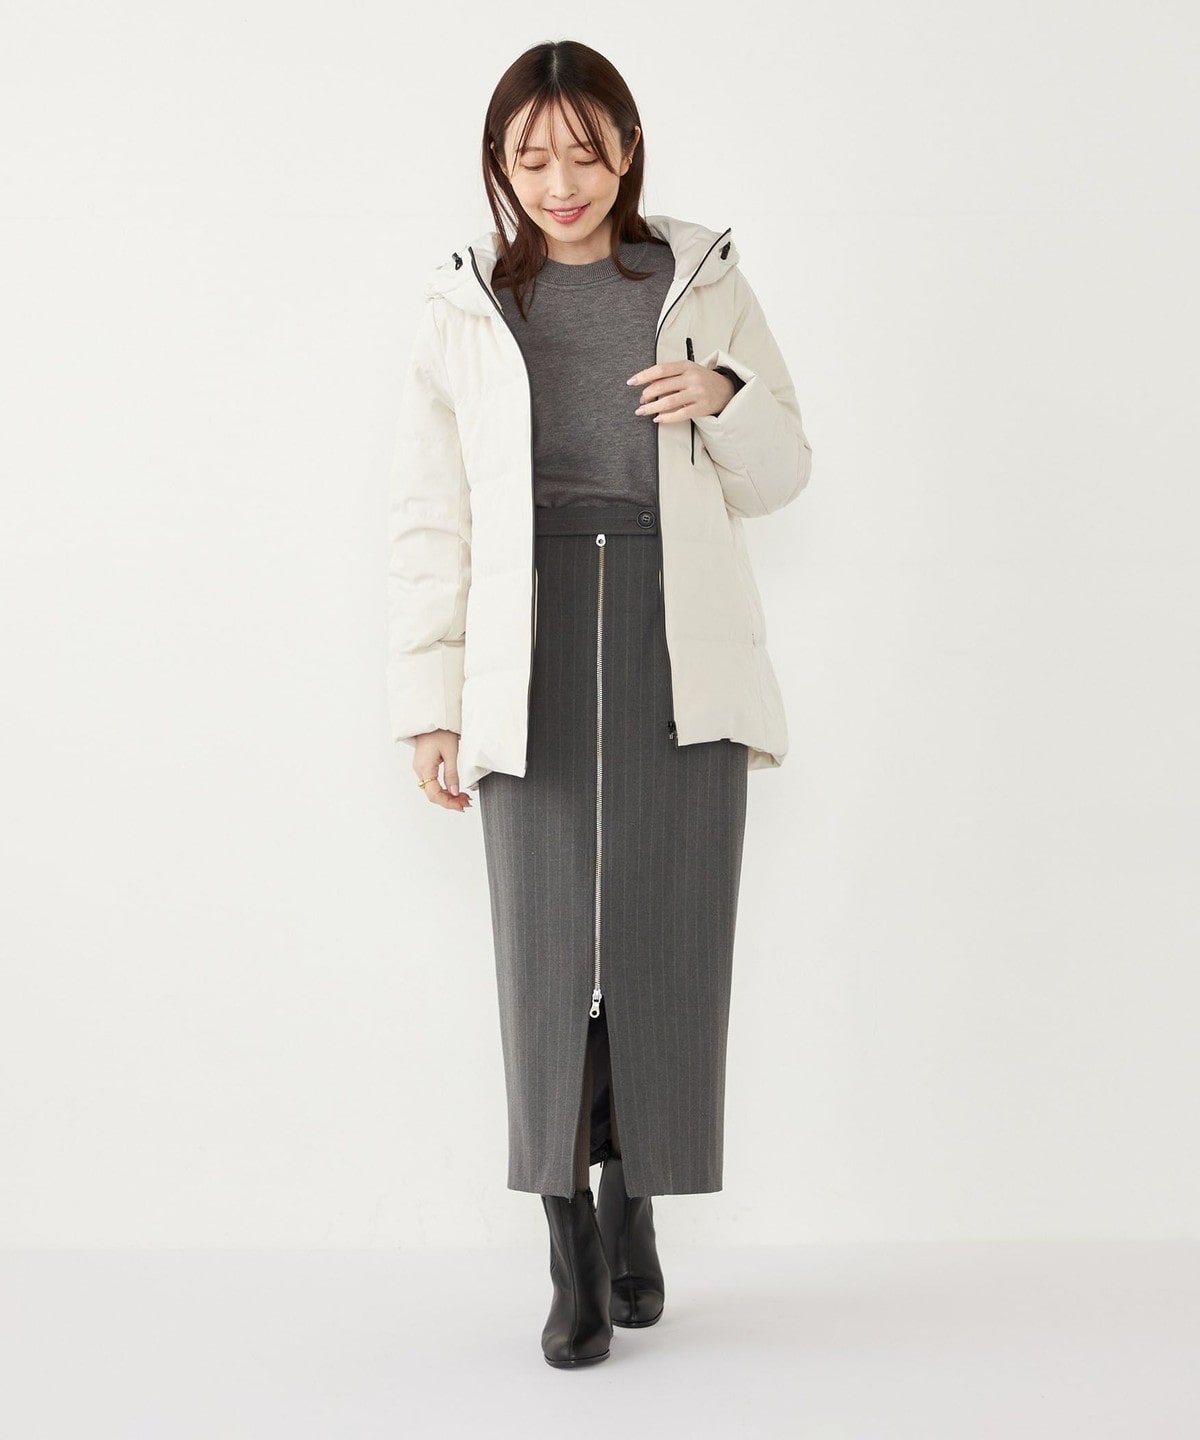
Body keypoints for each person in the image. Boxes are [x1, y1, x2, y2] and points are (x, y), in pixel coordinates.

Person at [387, 39, 813, 1368]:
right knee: (547, 953)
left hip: (678, 634)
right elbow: (431, 518)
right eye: (532, 158)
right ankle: (568, 1240)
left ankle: (637, 1209)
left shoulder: (700, 278)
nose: (562, 182)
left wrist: (725, 397)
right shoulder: (470, 303)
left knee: (663, 940)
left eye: (586, 151)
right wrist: (431, 702)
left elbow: (783, 471)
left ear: (628, 148)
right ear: (499, 166)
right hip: (526, 639)